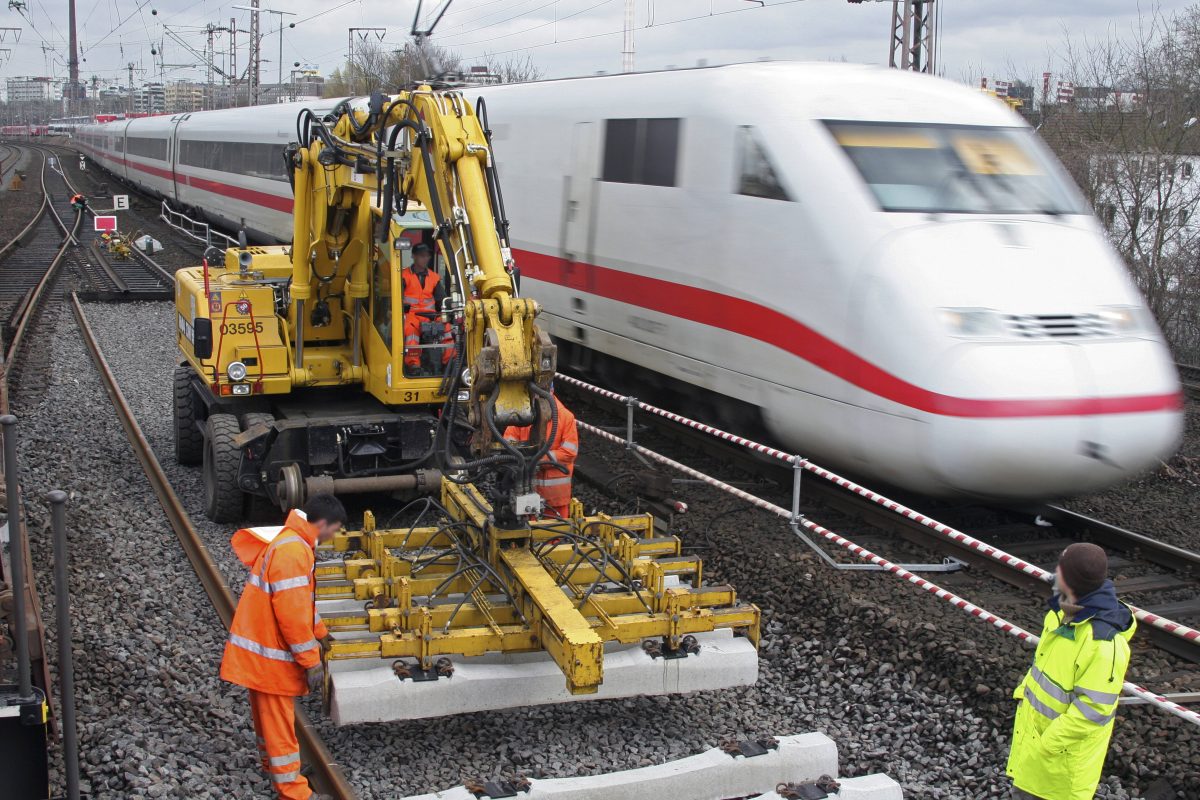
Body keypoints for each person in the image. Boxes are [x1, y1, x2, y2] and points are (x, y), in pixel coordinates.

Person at [220, 494, 347, 800]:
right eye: (336, 529)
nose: (335, 536)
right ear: (321, 524)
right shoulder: (294, 552)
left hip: (261, 651)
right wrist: (310, 661)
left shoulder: (292, 542)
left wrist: (321, 632)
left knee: (268, 719)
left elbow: (301, 604)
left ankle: (273, 767)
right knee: (279, 724)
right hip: (270, 657)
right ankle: (293, 792)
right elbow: (290, 614)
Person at [1006, 542, 1135, 800]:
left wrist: (1047, 745)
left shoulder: (1103, 643)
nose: (1055, 572)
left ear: (1071, 580)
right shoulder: (1060, 615)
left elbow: (1094, 710)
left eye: (1060, 568)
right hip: (1035, 746)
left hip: (1059, 764)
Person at [504, 390, 579, 518]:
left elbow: (569, 452)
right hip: (524, 492)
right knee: (526, 532)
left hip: (554, 497)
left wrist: (539, 460)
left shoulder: (565, 417)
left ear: (551, 391)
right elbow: (507, 443)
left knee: (556, 533)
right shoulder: (522, 415)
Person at [402, 242, 454, 371]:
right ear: (414, 256)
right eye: (422, 256)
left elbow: (442, 299)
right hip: (411, 316)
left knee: (446, 327)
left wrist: (446, 311)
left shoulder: (434, 277)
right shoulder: (403, 276)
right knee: (411, 330)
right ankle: (413, 364)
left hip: (430, 316)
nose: (425, 259)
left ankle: (450, 361)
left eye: (427, 256)